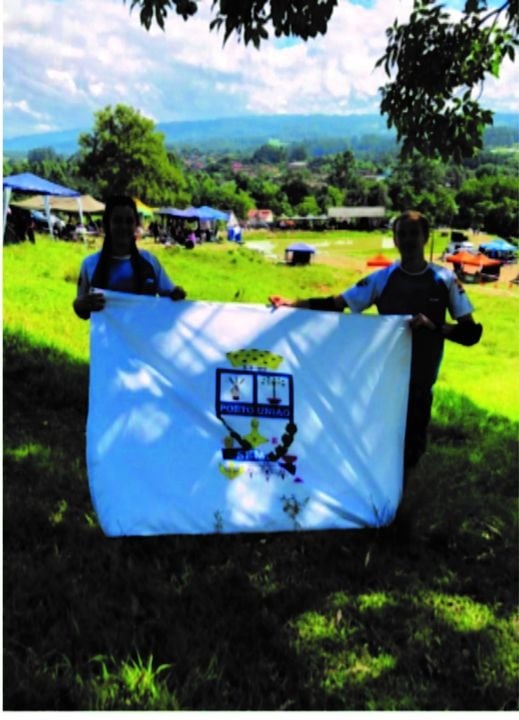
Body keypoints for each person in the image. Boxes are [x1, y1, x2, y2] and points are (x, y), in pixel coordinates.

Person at [269, 210, 483, 487]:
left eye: (413, 234)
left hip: (420, 381)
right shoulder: (383, 278)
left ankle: (401, 507)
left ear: (426, 237)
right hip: (380, 382)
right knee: (376, 444)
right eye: (401, 234)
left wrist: (435, 327)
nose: (408, 240)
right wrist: (293, 304)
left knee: (412, 447)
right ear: (394, 239)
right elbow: (338, 303)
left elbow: (471, 333)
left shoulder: (444, 280)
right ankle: (373, 501)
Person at [73, 195, 186, 320]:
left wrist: (177, 294)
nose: (124, 226)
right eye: (117, 220)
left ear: (136, 224)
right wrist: (78, 305)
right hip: (105, 339)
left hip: (143, 338)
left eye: (129, 221)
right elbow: (83, 312)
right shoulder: (90, 264)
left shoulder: (150, 262)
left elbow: (170, 296)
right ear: (106, 224)